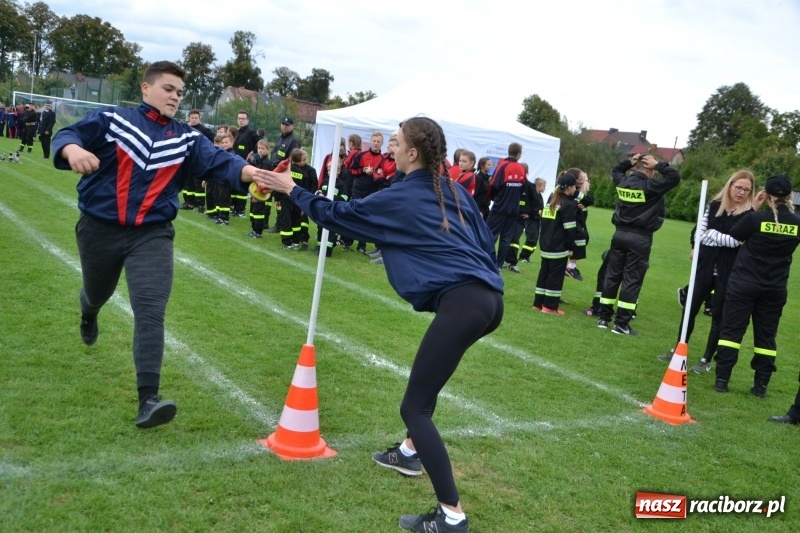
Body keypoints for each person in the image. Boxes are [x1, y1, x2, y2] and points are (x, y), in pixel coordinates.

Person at [255, 116, 503, 533]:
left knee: (414, 406)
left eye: (396, 142)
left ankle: (451, 516)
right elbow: (485, 245)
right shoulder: (456, 190)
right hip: (489, 301)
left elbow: (337, 215)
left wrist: (290, 189)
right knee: (427, 386)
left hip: (465, 302)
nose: (389, 147)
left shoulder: (405, 196)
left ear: (413, 153)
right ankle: (409, 453)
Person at [51, 61, 269, 429]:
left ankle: (147, 399)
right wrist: (73, 152)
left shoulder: (186, 137)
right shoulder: (113, 120)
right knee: (96, 292)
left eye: (179, 92)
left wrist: (257, 174)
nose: (175, 97)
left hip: (151, 234)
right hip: (99, 229)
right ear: (145, 88)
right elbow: (67, 135)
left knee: (150, 308)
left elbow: (222, 162)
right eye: (168, 88)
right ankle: (88, 311)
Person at [704, 174, 800, 398]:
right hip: (775, 288)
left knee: (731, 331)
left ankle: (722, 380)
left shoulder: (756, 219)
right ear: (789, 196)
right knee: (766, 337)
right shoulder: (796, 223)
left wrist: (754, 208)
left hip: (744, 284)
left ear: (766, 195)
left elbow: (735, 235)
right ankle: (760, 386)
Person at [655, 170, 760, 369]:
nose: (741, 192)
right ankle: (678, 349)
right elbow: (700, 235)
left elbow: (735, 242)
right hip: (703, 266)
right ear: (730, 185)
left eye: (747, 189)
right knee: (689, 311)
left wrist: (712, 233)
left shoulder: (749, 215)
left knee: (718, 316)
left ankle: (706, 359)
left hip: (727, 271)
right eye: (738, 187)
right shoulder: (714, 206)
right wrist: (712, 236)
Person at [597, 153, 681, 335]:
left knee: (612, 276)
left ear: (635, 167)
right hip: (640, 237)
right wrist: (658, 165)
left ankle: (603, 318)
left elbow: (616, 170)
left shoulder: (623, 182)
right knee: (632, 279)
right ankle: (621, 324)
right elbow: (675, 177)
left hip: (618, 234)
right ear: (649, 170)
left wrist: (629, 162)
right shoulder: (651, 186)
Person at [532, 172, 579, 314]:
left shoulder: (552, 199)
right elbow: (570, 229)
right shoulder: (569, 204)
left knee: (544, 273)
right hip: (559, 246)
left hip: (546, 244)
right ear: (570, 188)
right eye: (574, 187)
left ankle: (538, 303)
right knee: (555, 276)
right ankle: (550, 307)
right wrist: (571, 247)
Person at [486, 143, 527, 272]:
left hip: (500, 207)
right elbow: (523, 188)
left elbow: (493, 185)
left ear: (508, 152)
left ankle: (487, 262)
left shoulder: (503, 165)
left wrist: (494, 199)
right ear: (519, 154)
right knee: (506, 238)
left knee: (490, 235)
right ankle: (498, 265)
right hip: (513, 208)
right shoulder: (521, 168)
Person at [565, 168, 593, 281]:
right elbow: (589, 200)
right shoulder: (574, 193)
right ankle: (571, 267)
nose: (587, 182)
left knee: (583, 237)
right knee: (580, 237)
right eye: (584, 179)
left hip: (578, 223)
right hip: (570, 224)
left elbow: (590, 200)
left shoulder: (578, 195)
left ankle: (570, 266)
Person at [185, 109, 215, 212]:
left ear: (200, 119)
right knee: (189, 182)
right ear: (189, 118)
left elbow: (213, 141)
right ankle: (189, 203)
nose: (193, 120)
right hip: (188, 159)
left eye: (196, 118)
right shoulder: (186, 128)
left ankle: (201, 205)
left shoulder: (205, 130)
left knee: (198, 183)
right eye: (192, 118)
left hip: (199, 160)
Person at [232, 110, 260, 216]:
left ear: (247, 120)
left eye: (243, 119)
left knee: (242, 188)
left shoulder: (251, 132)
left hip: (245, 164)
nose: (241, 120)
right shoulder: (239, 131)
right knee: (236, 186)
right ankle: (235, 208)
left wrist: (254, 152)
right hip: (236, 162)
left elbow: (261, 142)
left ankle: (241, 210)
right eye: (239, 118)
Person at [518, 177, 546, 262]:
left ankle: (527, 256)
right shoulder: (531, 194)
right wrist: (529, 214)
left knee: (535, 239)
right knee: (531, 238)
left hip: (537, 219)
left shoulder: (539, 195)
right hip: (531, 219)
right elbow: (528, 206)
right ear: (538, 186)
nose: (545, 188)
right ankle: (523, 256)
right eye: (544, 186)